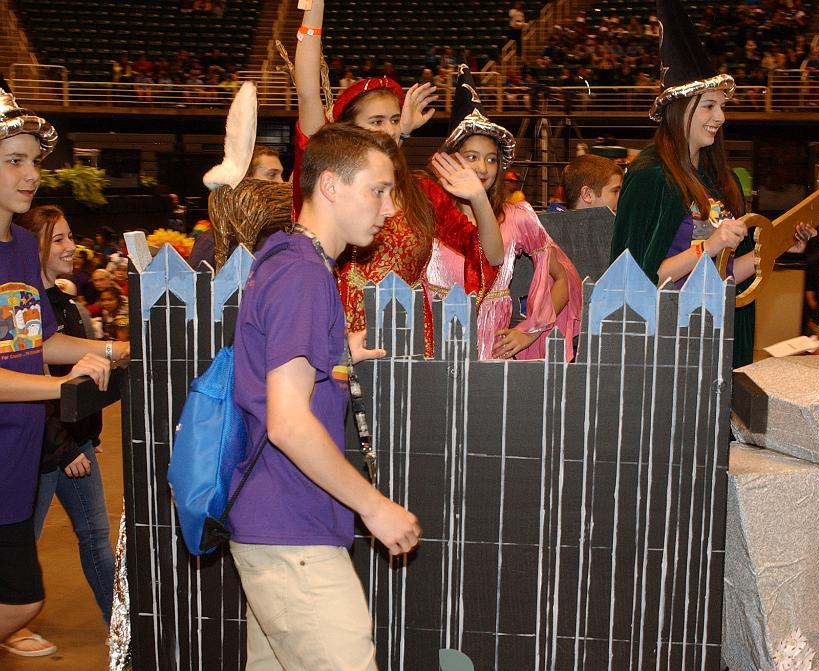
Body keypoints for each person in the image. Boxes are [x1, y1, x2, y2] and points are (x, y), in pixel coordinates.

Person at [227, 123, 420, 669]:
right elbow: (287, 423)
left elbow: (274, 376)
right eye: (378, 190)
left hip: (279, 526)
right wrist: (374, 507)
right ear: (331, 186)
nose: (388, 208)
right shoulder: (302, 275)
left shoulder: (288, 260)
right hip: (294, 531)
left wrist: (334, 357)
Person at [294, 0, 504, 358]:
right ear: (346, 129)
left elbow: (491, 257)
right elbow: (308, 93)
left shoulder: (420, 191)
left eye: (394, 120)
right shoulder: (330, 182)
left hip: (410, 344)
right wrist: (312, 10)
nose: (389, 129)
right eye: (376, 121)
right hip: (338, 343)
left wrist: (479, 201)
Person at [609, 0, 812, 368]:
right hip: (664, 343)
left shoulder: (722, 181)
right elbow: (637, 280)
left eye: (721, 106)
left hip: (713, 336)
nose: (720, 116)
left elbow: (728, 274)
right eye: (708, 106)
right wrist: (710, 246)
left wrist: (781, 248)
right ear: (679, 110)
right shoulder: (649, 175)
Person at [0, 87, 119, 657]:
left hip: (18, 456)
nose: (29, 176)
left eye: (32, 161)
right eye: (12, 160)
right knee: (21, 601)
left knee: (21, 598)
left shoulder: (22, 245)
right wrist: (60, 387)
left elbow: (33, 342)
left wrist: (113, 350)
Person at [427, 66, 582, 361]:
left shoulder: (517, 217)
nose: (483, 169)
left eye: (491, 160)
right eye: (472, 157)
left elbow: (565, 279)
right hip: (436, 354)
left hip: (493, 359)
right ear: (450, 159)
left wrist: (528, 331)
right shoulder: (427, 215)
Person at [20, 205, 125, 633]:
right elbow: (34, 382)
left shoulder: (59, 300)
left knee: (97, 537)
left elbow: (75, 375)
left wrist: (87, 432)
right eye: (58, 239)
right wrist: (64, 448)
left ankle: (121, 625)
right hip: (45, 450)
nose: (70, 246)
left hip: (71, 444)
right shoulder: (26, 307)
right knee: (21, 541)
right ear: (36, 247)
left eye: (69, 236)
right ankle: (15, 617)